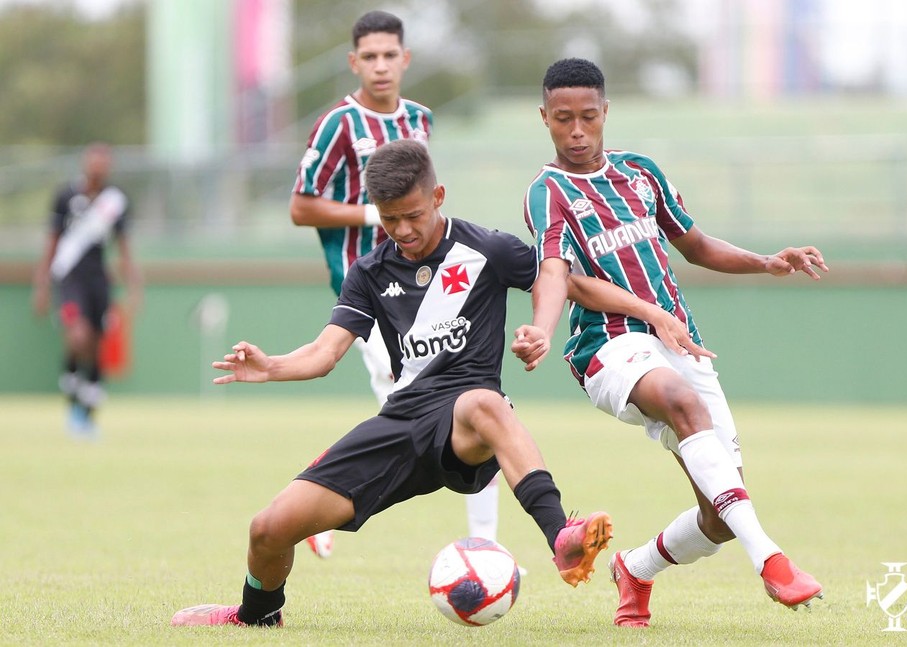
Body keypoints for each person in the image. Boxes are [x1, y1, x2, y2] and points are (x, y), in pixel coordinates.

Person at [170, 139, 631, 628]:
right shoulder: (369, 272)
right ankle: (257, 615)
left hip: (463, 423)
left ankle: (560, 536)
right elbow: (325, 353)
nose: (403, 230)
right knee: (267, 529)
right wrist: (272, 367)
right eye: (390, 219)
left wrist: (543, 327)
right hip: (401, 421)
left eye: (413, 215)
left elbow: (556, 278)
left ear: (438, 197)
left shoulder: (489, 249)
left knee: (485, 403)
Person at [513, 58, 828, 628]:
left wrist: (768, 262)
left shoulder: (640, 172)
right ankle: (774, 562)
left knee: (718, 517)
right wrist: (542, 326)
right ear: (544, 119)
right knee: (683, 402)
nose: (577, 131)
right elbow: (562, 273)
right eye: (564, 120)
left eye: (588, 117)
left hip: (679, 341)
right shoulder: (548, 192)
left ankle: (634, 568)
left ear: (606, 112)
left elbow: (696, 243)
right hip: (607, 347)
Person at [288, 10, 502, 558]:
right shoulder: (339, 124)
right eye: (370, 57)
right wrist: (371, 215)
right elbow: (300, 207)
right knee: (425, 411)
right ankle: (319, 490)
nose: (380, 66)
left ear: (405, 60)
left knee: (466, 406)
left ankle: (485, 546)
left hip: (433, 285)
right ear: (353, 62)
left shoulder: (420, 119)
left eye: (390, 56)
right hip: (376, 296)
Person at [31, 142, 141, 438]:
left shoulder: (115, 200)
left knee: (95, 344)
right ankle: (72, 396)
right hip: (69, 278)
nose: (98, 167)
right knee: (77, 336)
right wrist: (41, 284)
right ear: (84, 163)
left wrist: (133, 285)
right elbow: (52, 241)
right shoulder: (66, 195)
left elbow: (124, 246)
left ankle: (87, 413)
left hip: (98, 280)